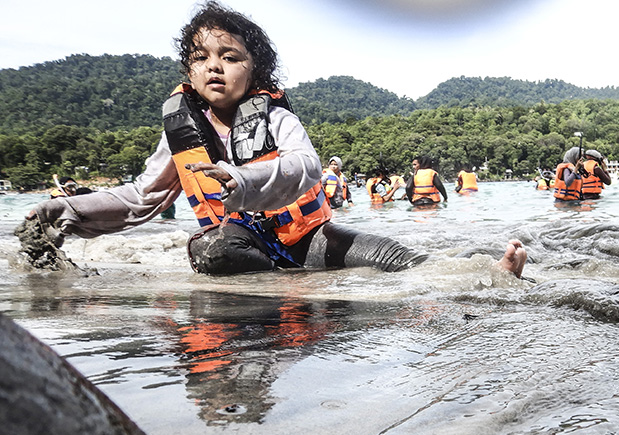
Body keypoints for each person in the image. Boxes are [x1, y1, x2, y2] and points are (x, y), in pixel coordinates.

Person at [18, 3, 526, 278]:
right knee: (215, 251)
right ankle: (281, 290)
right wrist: (66, 212)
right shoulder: (179, 134)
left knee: (392, 258)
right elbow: (141, 197)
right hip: (237, 242)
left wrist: (240, 179)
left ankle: (493, 272)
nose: (214, 65)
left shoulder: (276, 117)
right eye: (200, 57)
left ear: (254, 67)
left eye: (230, 55)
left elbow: (305, 166)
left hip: (308, 238)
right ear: (188, 70)